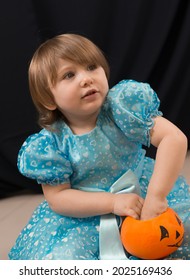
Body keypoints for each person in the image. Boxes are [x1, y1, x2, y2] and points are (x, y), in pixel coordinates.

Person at [9, 33, 190, 260]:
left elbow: (173, 138)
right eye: (69, 75)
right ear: (49, 99)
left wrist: (156, 196)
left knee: (177, 234)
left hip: (144, 195)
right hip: (88, 213)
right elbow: (59, 198)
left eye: (92, 66)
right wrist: (112, 202)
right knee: (64, 258)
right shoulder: (51, 144)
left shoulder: (121, 109)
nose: (86, 79)